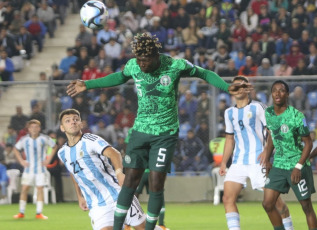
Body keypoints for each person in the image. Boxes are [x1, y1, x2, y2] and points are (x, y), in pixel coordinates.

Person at [66, 33, 251, 230]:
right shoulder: (133, 65)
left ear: (156, 56)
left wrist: (227, 87)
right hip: (140, 132)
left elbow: (204, 73)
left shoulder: (175, 66)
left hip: (164, 134)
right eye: (139, 60)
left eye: (145, 60)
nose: (142, 64)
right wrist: (88, 84)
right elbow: (119, 77)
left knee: (156, 184)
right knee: (129, 182)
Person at [57, 109, 154, 230]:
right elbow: (74, 173)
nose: (73, 122)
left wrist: (119, 173)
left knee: (143, 228)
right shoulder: (62, 152)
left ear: (81, 124)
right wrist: (80, 196)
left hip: (117, 194)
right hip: (97, 204)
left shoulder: (91, 140)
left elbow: (115, 153)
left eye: (76, 119)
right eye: (68, 121)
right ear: (62, 128)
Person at [219, 76, 294, 230]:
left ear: (247, 89)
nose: (239, 88)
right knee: (227, 198)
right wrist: (223, 162)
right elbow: (229, 139)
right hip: (238, 161)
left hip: (258, 160)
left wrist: (267, 152)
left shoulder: (258, 107)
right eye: (236, 86)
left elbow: (272, 130)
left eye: (242, 86)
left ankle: (289, 227)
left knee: (274, 202)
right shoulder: (229, 112)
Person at [262, 80, 317, 230]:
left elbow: (309, 143)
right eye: (274, 90)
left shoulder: (297, 116)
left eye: (281, 90)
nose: (277, 93)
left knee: (306, 207)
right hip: (279, 164)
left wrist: (298, 167)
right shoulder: (268, 113)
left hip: (297, 164)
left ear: (287, 94)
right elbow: (272, 137)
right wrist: (267, 159)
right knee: (267, 204)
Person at [13, 119, 58, 219]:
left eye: (36, 127)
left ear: (39, 128)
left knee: (40, 189)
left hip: (40, 169)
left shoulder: (44, 138)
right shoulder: (24, 139)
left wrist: (48, 159)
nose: (34, 129)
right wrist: (21, 161)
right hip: (28, 169)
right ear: (28, 129)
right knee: (24, 189)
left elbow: (55, 146)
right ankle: (21, 212)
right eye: (32, 127)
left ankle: (39, 213)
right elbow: (15, 149)